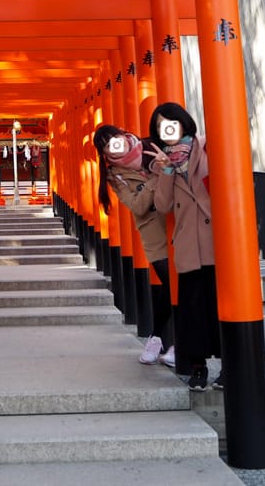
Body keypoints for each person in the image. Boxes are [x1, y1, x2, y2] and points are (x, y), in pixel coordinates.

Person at [146, 102, 223, 391]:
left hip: (216, 238)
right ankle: (198, 368)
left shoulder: (205, 147)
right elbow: (163, 205)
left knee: (219, 304)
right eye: (160, 127)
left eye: (171, 123)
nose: (166, 130)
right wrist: (165, 171)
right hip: (189, 243)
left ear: (183, 123)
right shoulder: (162, 164)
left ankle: (229, 365)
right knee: (192, 310)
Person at [93, 124, 174, 366]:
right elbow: (138, 206)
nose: (115, 145)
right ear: (104, 152)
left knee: (179, 286)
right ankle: (161, 338)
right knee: (172, 284)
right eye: (108, 145)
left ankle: (161, 338)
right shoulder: (114, 175)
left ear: (122, 135)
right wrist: (158, 175)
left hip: (179, 223)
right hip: (155, 234)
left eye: (115, 138)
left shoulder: (152, 146)